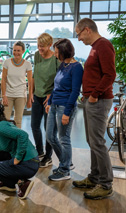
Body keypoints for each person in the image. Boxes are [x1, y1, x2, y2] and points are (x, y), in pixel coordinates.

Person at [72, 18, 116, 200]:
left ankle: (105, 184)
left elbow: (110, 74)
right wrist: (87, 94)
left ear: (87, 30)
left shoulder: (104, 45)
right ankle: (94, 177)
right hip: (92, 100)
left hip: (99, 101)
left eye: (79, 34)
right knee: (92, 141)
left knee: (97, 142)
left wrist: (95, 94)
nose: (79, 39)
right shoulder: (95, 47)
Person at [45, 39, 83, 181]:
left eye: (56, 51)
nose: (55, 54)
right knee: (50, 136)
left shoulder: (77, 67)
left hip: (65, 107)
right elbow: (56, 86)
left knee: (64, 139)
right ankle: (66, 162)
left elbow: (75, 92)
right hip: (54, 105)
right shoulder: (63, 65)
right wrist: (49, 101)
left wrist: (67, 112)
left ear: (64, 51)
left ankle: (65, 170)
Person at [29, 33, 60, 167]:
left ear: (49, 45)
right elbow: (34, 76)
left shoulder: (56, 59)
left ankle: (48, 156)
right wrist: (30, 93)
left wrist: (51, 95)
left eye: (42, 47)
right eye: (38, 46)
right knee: (34, 126)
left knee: (49, 129)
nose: (40, 49)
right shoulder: (37, 55)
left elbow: (60, 81)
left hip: (49, 98)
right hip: (37, 95)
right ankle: (40, 152)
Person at [1, 41, 32, 128]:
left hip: (21, 95)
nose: (16, 53)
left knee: (18, 121)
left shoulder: (27, 64)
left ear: (23, 51)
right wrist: (4, 95)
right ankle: (5, 141)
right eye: (14, 50)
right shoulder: (7, 62)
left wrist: (30, 97)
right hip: (8, 94)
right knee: (4, 120)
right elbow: (3, 79)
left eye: (18, 50)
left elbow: (30, 82)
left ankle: (16, 141)